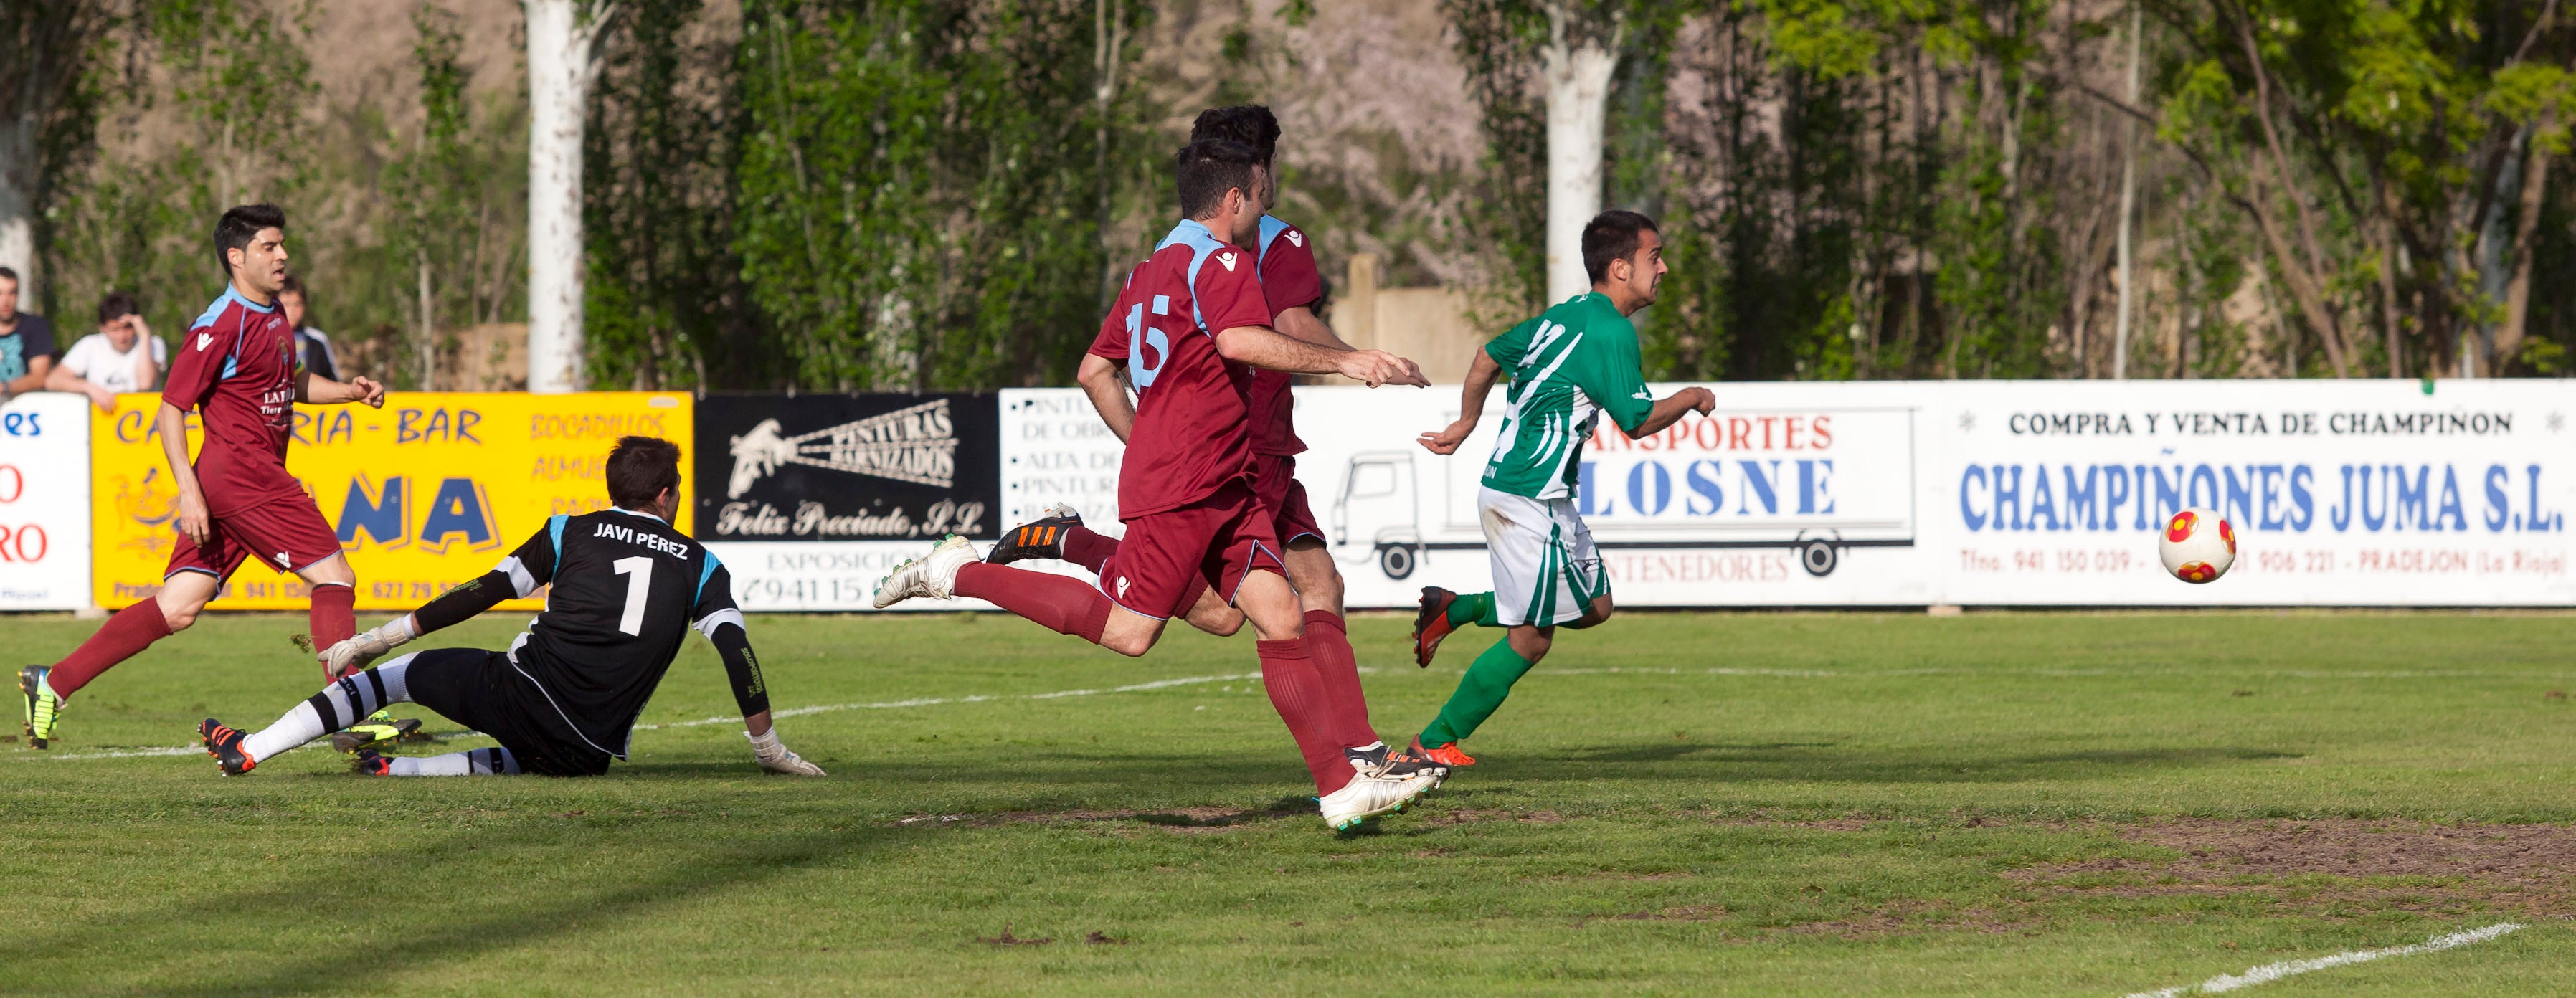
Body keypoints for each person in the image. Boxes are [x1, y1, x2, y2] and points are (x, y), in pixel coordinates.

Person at [874, 139, 1437, 832]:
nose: (1266, 210)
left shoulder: (1151, 268)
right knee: (1130, 633)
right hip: (1186, 483)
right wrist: (1348, 364)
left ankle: (1339, 787)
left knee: (1277, 616)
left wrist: (1145, 436)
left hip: (1221, 478)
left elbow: (1093, 370)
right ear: (1235, 199)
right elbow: (1240, 341)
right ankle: (957, 572)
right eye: (1261, 197)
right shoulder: (1221, 257)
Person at [199, 436, 825, 779]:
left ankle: (250, 749)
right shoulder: (702, 564)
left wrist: (379, 639)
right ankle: (397, 771)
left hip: (524, 694)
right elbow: (736, 650)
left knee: (396, 678)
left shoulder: (568, 531)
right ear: (666, 495)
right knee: (533, 756)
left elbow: (483, 592)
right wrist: (767, 747)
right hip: (590, 751)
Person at [19, 204, 388, 750]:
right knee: (334, 578)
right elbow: (170, 410)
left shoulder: (273, 315)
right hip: (243, 479)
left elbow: (292, 382)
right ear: (236, 258)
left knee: (180, 606)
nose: (282, 255)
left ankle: (55, 682)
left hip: (242, 482)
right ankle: (347, 713)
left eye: (283, 244)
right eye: (269, 246)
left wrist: (349, 394)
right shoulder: (219, 324)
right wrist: (190, 495)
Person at [1406, 211, 1717, 769]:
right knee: (1532, 639)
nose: (1663, 267)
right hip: (1527, 496)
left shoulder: (1568, 316)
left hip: (1537, 496)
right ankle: (1434, 742)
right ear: (1620, 267)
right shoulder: (1608, 330)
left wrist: (1466, 422)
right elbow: (1638, 421)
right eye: (1655, 256)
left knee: (1597, 606)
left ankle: (1451, 611)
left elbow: (1487, 355)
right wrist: (1692, 396)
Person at [47, 292, 167, 411]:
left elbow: (145, 384)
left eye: (127, 328)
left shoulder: (154, 343)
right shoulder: (90, 344)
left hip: (145, 419)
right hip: (101, 422)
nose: (122, 336)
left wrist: (144, 335)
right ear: (102, 328)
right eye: (115, 330)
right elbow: (53, 381)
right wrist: (89, 388)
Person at [0, 266, 56, 402]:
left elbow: (39, 377)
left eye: (12, 293)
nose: (6, 301)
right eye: (0, 293)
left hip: (26, 410)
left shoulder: (36, 326)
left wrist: (4, 388)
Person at [275, 274, 338, 381]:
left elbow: (332, 378)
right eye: (286, 304)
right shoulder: (266, 336)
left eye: (297, 304)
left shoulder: (317, 339)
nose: (292, 311)